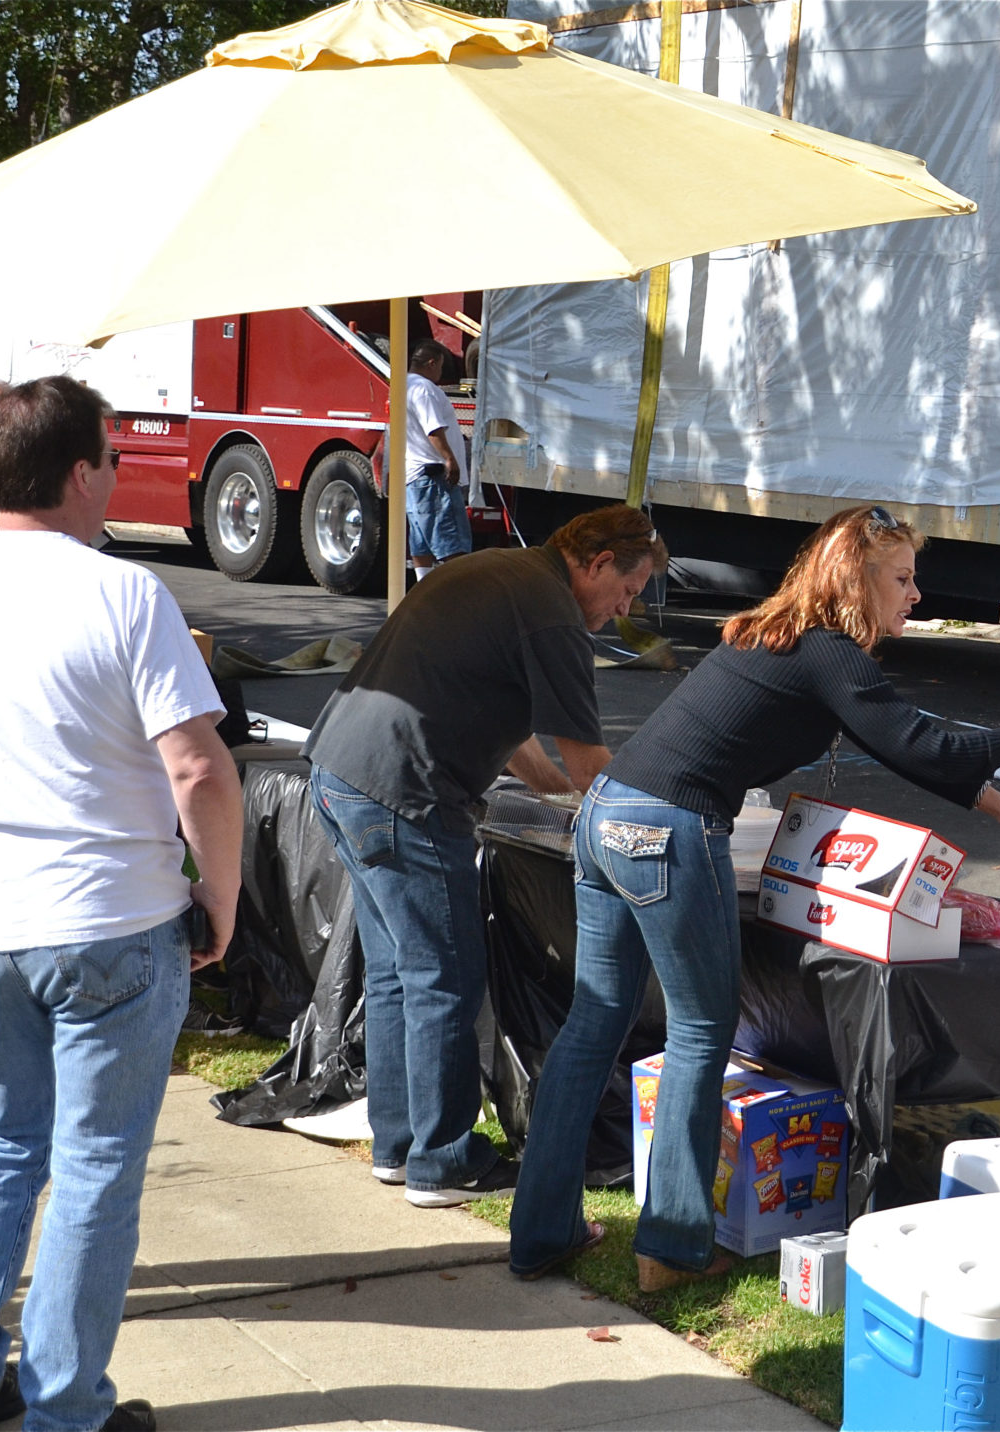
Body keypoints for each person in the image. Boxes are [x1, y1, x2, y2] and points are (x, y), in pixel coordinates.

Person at [508, 504, 1000, 1291]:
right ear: (856, 579)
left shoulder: (779, 634)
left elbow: (908, 742)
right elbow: (915, 740)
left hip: (606, 817)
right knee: (700, 1031)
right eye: (902, 578)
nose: (916, 595)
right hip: (668, 832)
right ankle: (671, 1249)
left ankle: (540, 1231)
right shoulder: (828, 649)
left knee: (594, 1024)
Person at [0, 374, 242, 1432]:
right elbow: (202, 770)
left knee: (6, 1143)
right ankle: (66, 1408)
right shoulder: (124, 593)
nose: (118, 476)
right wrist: (218, 893)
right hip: (115, 918)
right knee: (91, 1170)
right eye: (116, 459)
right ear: (81, 473)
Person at [305, 504, 661, 1207]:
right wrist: (656, 814)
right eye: (627, 590)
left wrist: (555, 796)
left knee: (398, 975)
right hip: (404, 793)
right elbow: (593, 763)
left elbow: (519, 738)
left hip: (340, 773)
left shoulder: (496, 572)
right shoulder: (552, 612)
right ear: (594, 564)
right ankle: (444, 1162)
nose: (626, 609)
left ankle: (400, 1147)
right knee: (446, 977)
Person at [384, 337, 471, 578]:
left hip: (413, 475)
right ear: (432, 363)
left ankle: (423, 585)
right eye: (441, 367)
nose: (440, 373)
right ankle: (455, 594)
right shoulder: (424, 389)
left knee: (421, 539)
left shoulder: (401, 386)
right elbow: (433, 428)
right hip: (432, 475)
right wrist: (450, 459)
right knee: (451, 542)